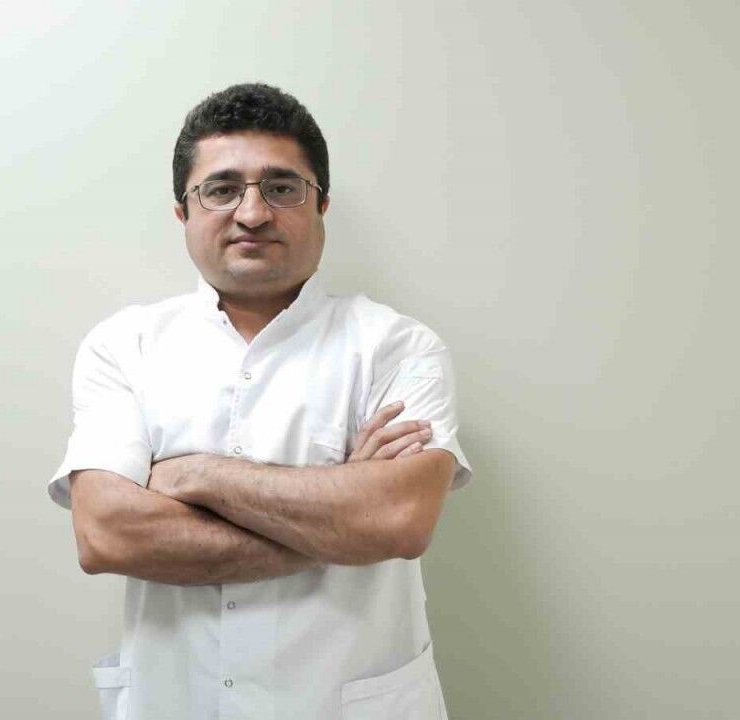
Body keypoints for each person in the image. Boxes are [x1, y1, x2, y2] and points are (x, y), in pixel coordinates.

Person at [48, 83, 472, 719]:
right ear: (183, 212)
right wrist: (340, 521)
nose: (252, 213)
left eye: (281, 187)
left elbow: (398, 521)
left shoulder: (397, 347)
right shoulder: (124, 345)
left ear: (320, 204)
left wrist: (194, 475)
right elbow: (106, 534)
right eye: (221, 190)